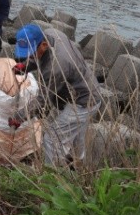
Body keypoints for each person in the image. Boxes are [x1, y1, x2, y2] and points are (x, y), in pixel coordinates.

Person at [10, 24, 101, 166]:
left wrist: (18, 117)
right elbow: (41, 56)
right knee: (76, 137)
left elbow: (42, 101)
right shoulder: (51, 33)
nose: (29, 56)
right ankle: (78, 166)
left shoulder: (55, 67)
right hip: (86, 87)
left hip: (83, 101)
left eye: (31, 53)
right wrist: (26, 66)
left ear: (44, 44)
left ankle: (51, 173)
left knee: (51, 140)